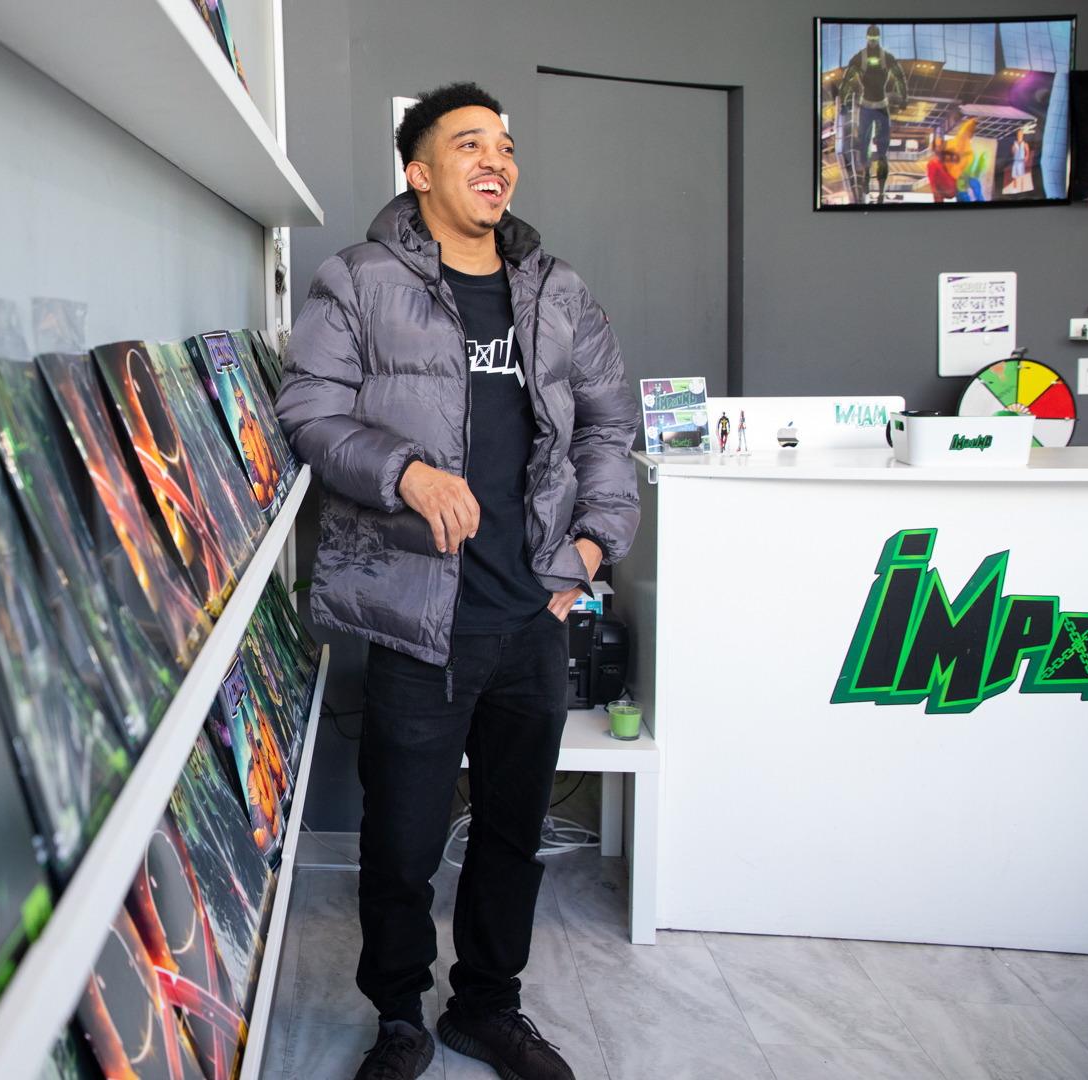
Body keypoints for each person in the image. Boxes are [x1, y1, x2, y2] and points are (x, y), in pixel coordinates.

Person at [275, 81, 638, 1080]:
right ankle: (400, 1019)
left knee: (513, 837)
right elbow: (309, 411)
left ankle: (488, 1006)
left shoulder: (559, 291)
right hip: (414, 617)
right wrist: (406, 470)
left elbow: (611, 428)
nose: (497, 161)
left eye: (506, 146)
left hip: (530, 618)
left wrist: (592, 553)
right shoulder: (355, 280)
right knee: (399, 844)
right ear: (419, 171)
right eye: (469, 143)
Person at [838, 24, 909, 204]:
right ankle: (866, 180)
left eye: (875, 40)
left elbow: (899, 77)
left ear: (878, 39)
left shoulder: (885, 57)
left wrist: (904, 98)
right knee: (865, 147)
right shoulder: (861, 57)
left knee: (881, 153)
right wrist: (845, 103)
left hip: (879, 108)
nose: (873, 43)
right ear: (867, 38)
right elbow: (847, 80)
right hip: (868, 107)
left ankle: (881, 192)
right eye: (870, 40)